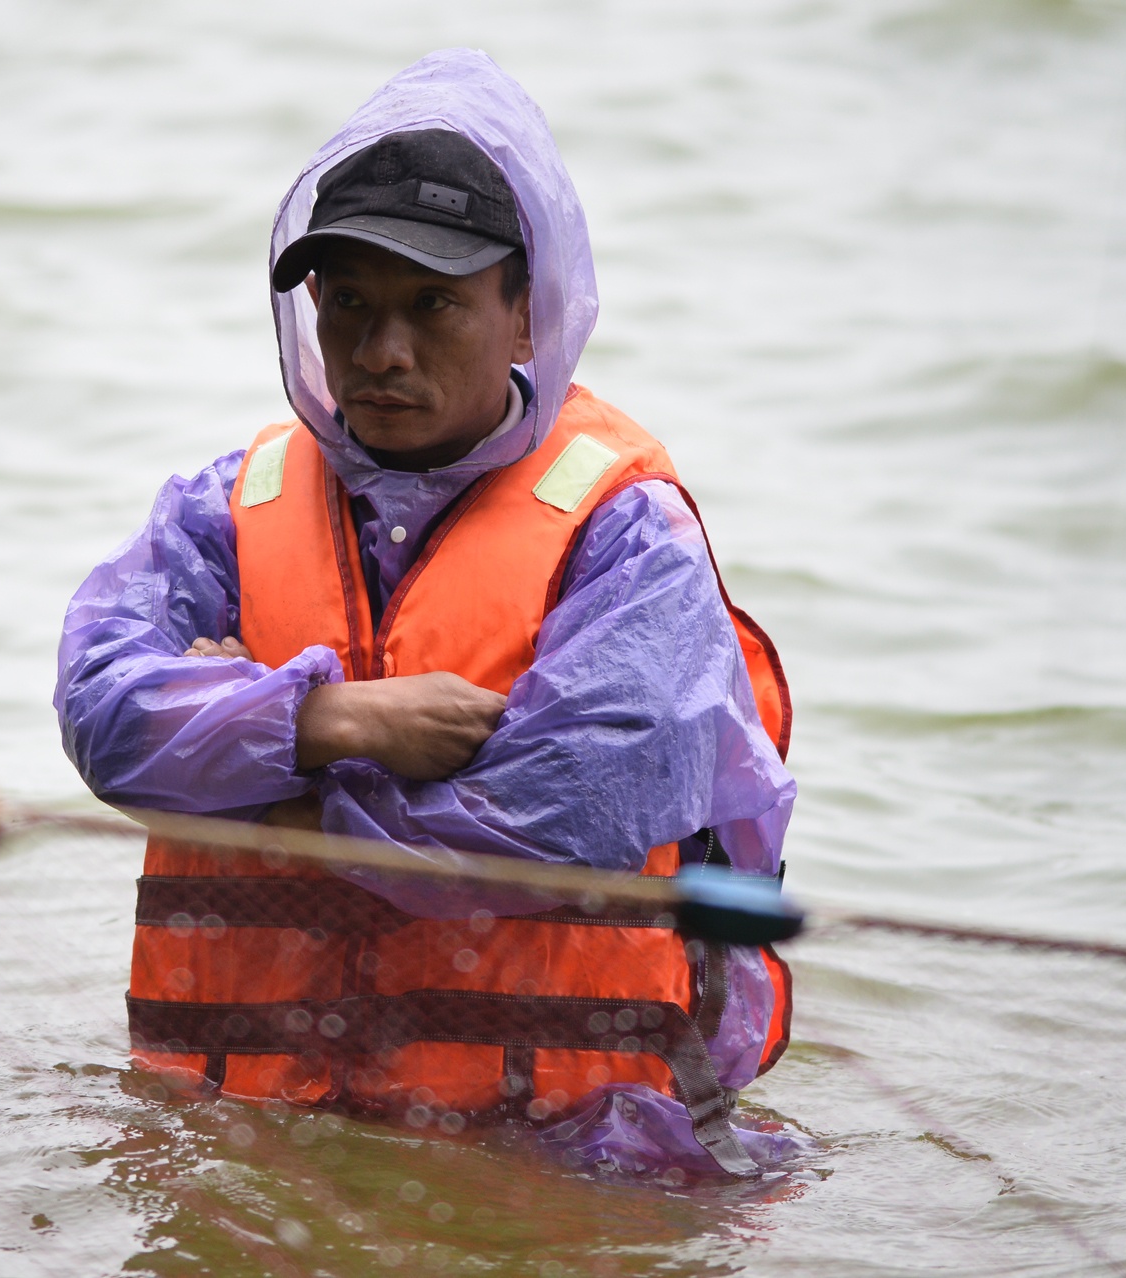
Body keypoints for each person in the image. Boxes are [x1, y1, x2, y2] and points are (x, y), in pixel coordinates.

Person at [55, 49, 800, 1178]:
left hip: (567, 1148)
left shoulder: (626, 535)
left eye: (433, 304)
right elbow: (108, 721)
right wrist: (333, 721)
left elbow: (557, 824)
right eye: (348, 303)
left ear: (523, 317)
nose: (381, 350)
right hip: (253, 1133)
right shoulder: (225, 506)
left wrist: (256, 781)